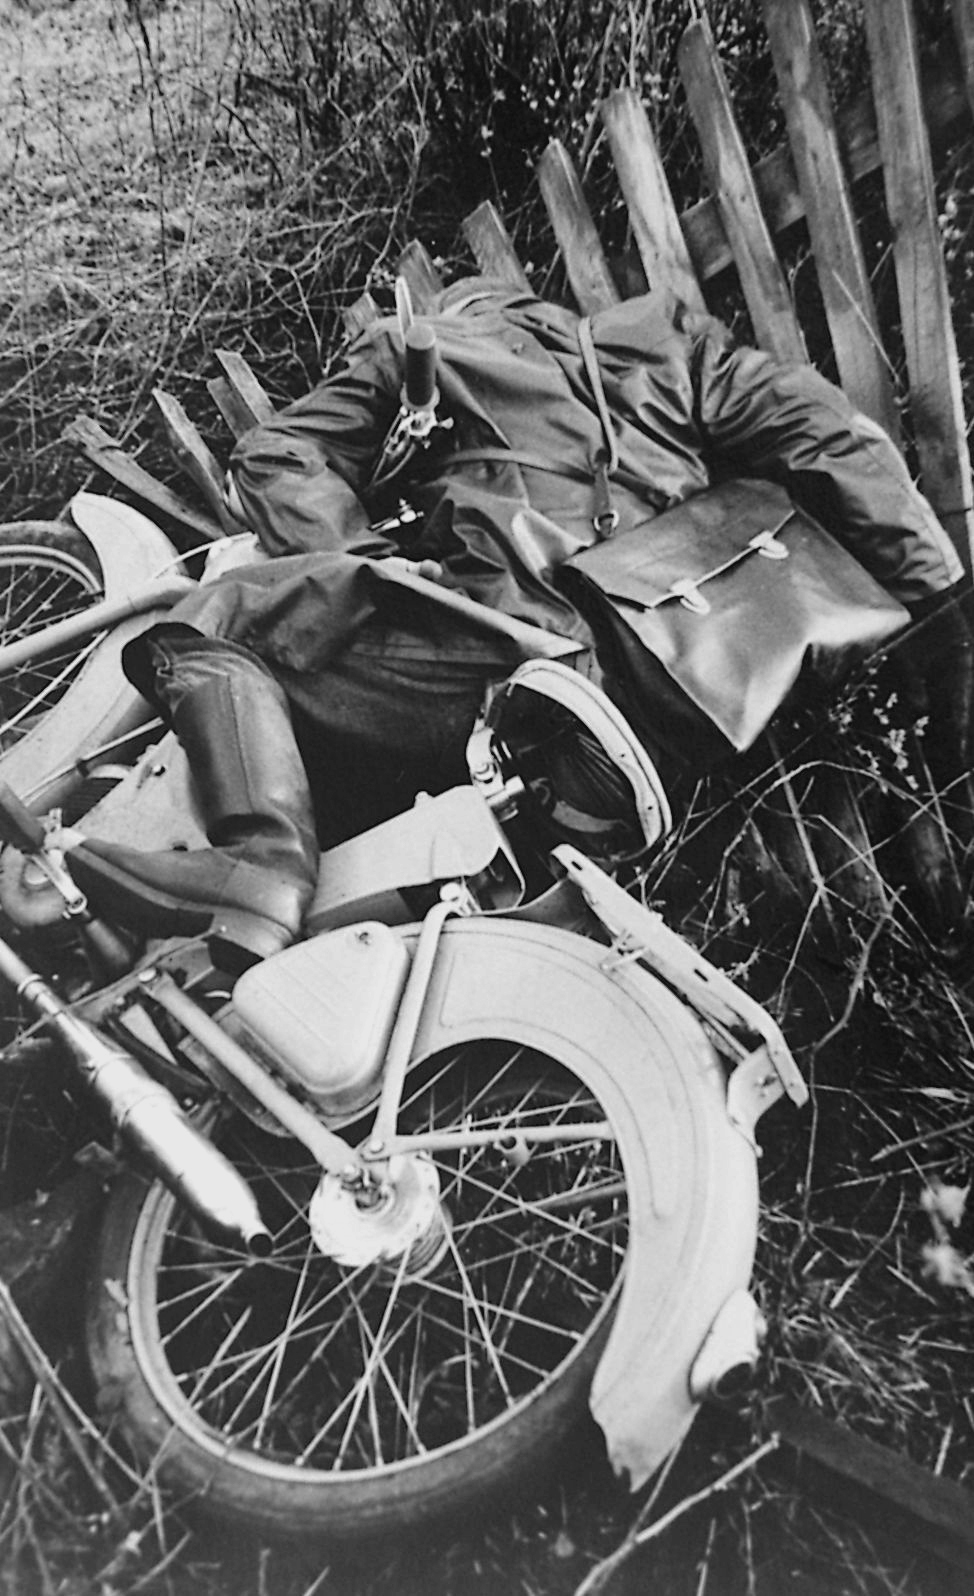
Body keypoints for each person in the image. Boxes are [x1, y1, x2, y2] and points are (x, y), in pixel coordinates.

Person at [64, 278, 970, 962]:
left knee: (229, 614)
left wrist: (368, 558)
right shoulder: (671, 341)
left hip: (518, 670)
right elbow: (832, 437)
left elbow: (273, 455)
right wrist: (942, 609)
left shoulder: (420, 348)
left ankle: (261, 869)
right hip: (688, 706)